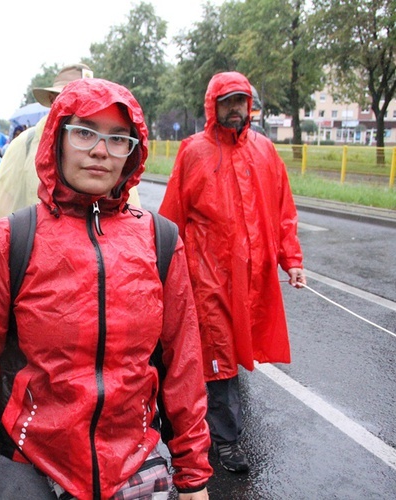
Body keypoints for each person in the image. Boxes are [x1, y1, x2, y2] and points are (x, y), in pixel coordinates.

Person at [0, 78, 211, 500]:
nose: (100, 150)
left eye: (117, 138)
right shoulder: (5, 243)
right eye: (84, 132)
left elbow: (184, 366)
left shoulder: (160, 240)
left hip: (134, 464)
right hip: (29, 463)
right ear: (57, 140)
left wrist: (194, 473)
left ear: (132, 152)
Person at [158, 71, 306, 474]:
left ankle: (202, 422)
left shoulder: (265, 151)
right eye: (228, 102)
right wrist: (160, 268)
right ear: (213, 105)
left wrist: (290, 260)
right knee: (217, 356)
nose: (236, 109)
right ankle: (225, 440)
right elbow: (172, 216)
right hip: (207, 275)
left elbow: (282, 211)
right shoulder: (193, 152)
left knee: (234, 353)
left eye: (241, 101)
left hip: (252, 278)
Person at [0, 63, 142, 219]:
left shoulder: (111, 151)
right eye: (84, 133)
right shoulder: (26, 142)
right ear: (52, 99)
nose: (99, 151)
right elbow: (5, 203)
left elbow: (126, 206)